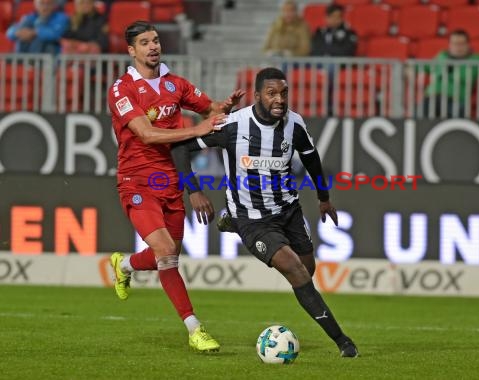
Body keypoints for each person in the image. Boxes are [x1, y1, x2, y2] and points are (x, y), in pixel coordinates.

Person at [171, 67, 359, 358]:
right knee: (296, 270)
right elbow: (180, 149)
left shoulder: (294, 125)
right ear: (257, 95)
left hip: (288, 210)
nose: (279, 99)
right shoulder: (232, 125)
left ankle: (229, 222)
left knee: (307, 271)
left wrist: (324, 199)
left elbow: (311, 159)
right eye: (272, 93)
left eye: (284, 93)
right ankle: (343, 341)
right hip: (253, 219)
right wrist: (194, 190)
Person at [107, 20, 244, 353]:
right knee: (166, 252)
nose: (153, 46)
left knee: (165, 258)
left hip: (170, 181)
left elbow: (210, 109)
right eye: (144, 42)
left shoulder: (176, 85)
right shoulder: (121, 89)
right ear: (132, 50)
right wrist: (197, 131)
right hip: (136, 180)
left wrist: (224, 108)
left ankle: (124, 265)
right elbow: (147, 134)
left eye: (155, 40)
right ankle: (195, 329)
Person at [421, 29, 479, 119]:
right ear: (450, 45)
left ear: (468, 45)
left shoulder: (475, 59)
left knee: (457, 112)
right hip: (432, 97)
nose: (458, 47)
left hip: (457, 99)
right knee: (420, 113)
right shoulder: (442, 56)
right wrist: (410, 68)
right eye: (454, 44)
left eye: (461, 44)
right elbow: (424, 66)